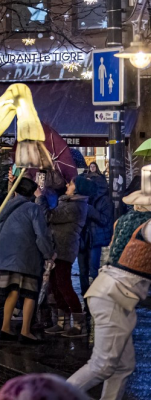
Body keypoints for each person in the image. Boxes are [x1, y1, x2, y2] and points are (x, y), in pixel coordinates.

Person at [67, 168, 151, 399]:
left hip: (113, 295)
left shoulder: (124, 221)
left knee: (122, 366)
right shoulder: (147, 225)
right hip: (115, 297)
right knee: (102, 365)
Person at [0, 176, 54, 344]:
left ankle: (5, 327)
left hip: (5, 257)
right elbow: (41, 235)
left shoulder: (5, 206)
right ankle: (26, 331)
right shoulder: (33, 209)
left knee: (12, 291)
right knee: (29, 293)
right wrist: (48, 254)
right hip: (27, 256)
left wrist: (2, 247)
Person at [40, 175, 94, 337]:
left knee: (64, 285)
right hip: (57, 248)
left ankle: (79, 324)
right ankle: (62, 321)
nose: (67, 186)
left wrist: (40, 198)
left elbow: (50, 216)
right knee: (55, 285)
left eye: (70, 184)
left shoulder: (75, 206)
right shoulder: (69, 202)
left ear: (77, 189)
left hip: (64, 249)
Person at [81, 162, 114, 292]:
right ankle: (86, 296)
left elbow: (105, 220)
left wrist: (91, 211)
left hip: (96, 239)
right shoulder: (84, 198)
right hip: (84, 239)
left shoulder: (105, 200)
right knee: (83, 270)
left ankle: (95, 296)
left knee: (93, 269)